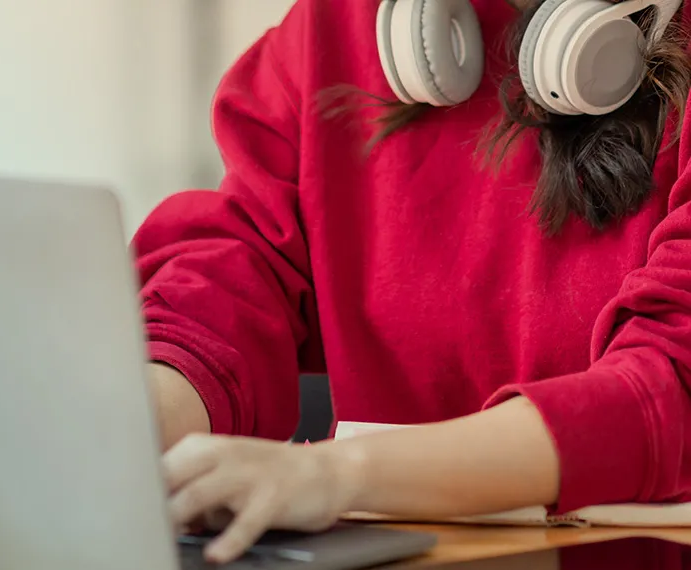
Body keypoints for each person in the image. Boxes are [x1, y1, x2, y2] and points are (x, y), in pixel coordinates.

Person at [133, 0, 691, 564]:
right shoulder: (341, 25)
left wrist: (334, 474)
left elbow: (673, 387)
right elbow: (236, 273)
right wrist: (130, 430)